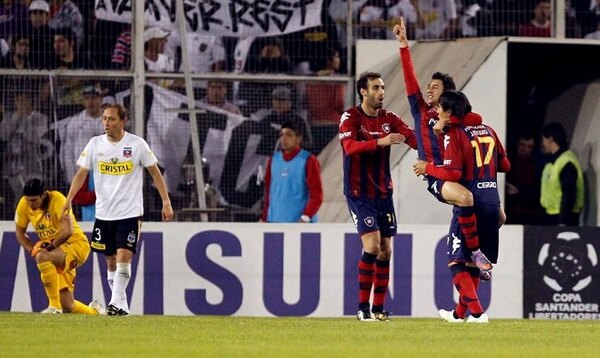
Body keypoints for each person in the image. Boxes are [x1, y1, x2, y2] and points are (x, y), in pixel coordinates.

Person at [394, 18, 494, 273]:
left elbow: (477, 119)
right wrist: (404, 47)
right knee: (465, 197)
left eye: (434, 87)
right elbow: (410, 81)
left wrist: (447, 121)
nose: (428, 89)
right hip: (438, 176)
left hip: (460, 174)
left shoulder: (455, 117)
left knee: (497, 216)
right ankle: (475, 253)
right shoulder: (422, 111)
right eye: (428, 86)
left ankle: (476, 258)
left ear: (447, 93)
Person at [62, 104, 174, 316]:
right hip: (103, 213)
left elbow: (155, 172)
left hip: (130, 212)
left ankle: (114, 302)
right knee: (111, 260)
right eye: (104, 118)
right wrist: (68, 199)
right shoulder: (95, 144)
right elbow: (81, 174)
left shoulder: (137, 144)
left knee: (124, 256)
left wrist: (166, 201)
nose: (106, 123)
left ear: (123, 121)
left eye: (111, 119)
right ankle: (121, 306)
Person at [413, 91, 511, 323]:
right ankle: (458, 315)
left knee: (456, 261)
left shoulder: (455, 134)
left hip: (470, 204)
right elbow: (505, 164)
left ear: (449, 112)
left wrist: (427, 167)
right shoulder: (488, 130)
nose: (435, 111)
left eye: (439, 109)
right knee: (470, 263)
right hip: (493, 203)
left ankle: (477, 314)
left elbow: (453, 173)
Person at [339, 71, 418, 321]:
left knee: (386, 251)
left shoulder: (390, 118)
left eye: (382, 87)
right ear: (363, 91)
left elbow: (412, 138)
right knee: (371, 246)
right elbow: (350, 148)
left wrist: (434, 147)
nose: (381, 92)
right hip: (358, 193)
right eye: (375, 88)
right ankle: (362, 308)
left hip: (383, 192)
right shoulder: (351, 117)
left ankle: (378, 309)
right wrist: (379, 142)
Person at [15, 178, 105, 315]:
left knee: (42, 256)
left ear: (43, 195)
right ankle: (96, 312)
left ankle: (54, 306)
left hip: (76, 246)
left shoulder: (58, 200)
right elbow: (20, 233)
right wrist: (32, 249)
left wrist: (49, 247)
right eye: (28, 200)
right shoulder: (24, 204)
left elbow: (67, 231)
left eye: (34, 200)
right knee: (68, 305)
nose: (30, 204)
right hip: (56, 252)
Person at [260, 121, 323, 223]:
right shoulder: (273, 160)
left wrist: (305, 217)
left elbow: (316, 195)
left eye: (288, 135)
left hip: (299, 225)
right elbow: (268, 193)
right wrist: (264, 217)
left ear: (298, 139)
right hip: (274, 222)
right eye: (282, 135)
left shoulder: (308, 160)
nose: (283, 138)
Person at [58, 84, 104, 221]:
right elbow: (67, 151)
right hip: (81, 174)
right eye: (87, 98)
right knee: (80, 211)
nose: (91, 101)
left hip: (104, 173)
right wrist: (71, 176)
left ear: (101, 99)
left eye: (94, 98)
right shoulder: (75, 122)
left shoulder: (109, 121)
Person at [540, 122, 584, 226]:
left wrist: (564, 220)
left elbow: (569, 193)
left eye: (543, 139)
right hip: (552, 214)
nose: (543, 143)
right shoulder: (552, 162)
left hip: (563, 217)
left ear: (550, 139)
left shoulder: (566, 162)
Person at [505, 133, 544, 224]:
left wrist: (519, 191)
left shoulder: (538, 166)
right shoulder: (507, 163)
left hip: (531, 214)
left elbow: (540, 191)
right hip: (510, 214)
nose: (525, 149)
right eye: (522, 145)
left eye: (529, 146)